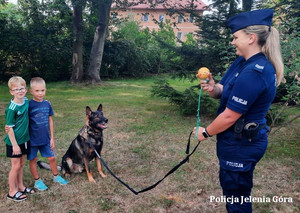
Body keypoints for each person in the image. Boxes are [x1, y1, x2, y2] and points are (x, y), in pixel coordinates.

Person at [193, 9, 284, 213]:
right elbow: (225, 90)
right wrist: (213, 88)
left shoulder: (256, 71)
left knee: (236, 198)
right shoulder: (242, 62)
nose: (232, 42)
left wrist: (205, 132)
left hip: (242, 145)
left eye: (236, 37)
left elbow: (230, 116)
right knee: (234, 192)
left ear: (251, 38)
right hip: (235, 142)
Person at [27, 77, 68, 191]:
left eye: (42, 90)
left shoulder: (47, 104)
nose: (40, 93)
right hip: (32, 140)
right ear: (31, 91)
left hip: (45, 138)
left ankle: (56, 176)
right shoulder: (29, 105)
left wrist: (52, 138)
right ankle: (37, 181)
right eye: (37, 91)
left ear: (45, 90)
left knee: (52, 158)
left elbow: (50, 120)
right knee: (33, 160)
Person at [4, 76, 34, 202]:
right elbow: (9, 128)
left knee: (21, 164)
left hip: (25, 140)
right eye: (16, 89)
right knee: (15, 166)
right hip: (14, 143)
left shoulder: (26, 101)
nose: (19, 91)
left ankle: (20, 186)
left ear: (26, 89)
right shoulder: (12, 108)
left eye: (22, 88)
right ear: (11, 92)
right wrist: (15, 145)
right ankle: (12, 192)